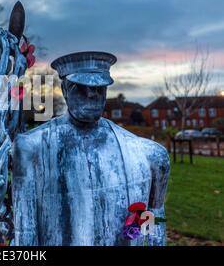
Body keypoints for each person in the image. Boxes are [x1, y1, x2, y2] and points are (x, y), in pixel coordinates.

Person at [12, 51, 170, 246]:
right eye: (80, 88)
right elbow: (25, 231)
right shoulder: (32, 148)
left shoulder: (148, 155)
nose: (91, 95)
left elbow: (155, 217)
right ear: (65, 89)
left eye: (98, 88)